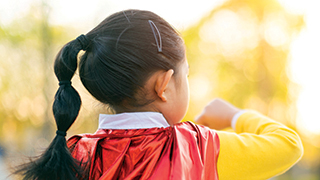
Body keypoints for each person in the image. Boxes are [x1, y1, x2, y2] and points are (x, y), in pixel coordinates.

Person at [15, 9, 303, 180]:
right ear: (164, 85)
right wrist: (234, 115)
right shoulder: (196, 148)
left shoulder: (72, 154)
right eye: (185, 74)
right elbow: (288, 146)